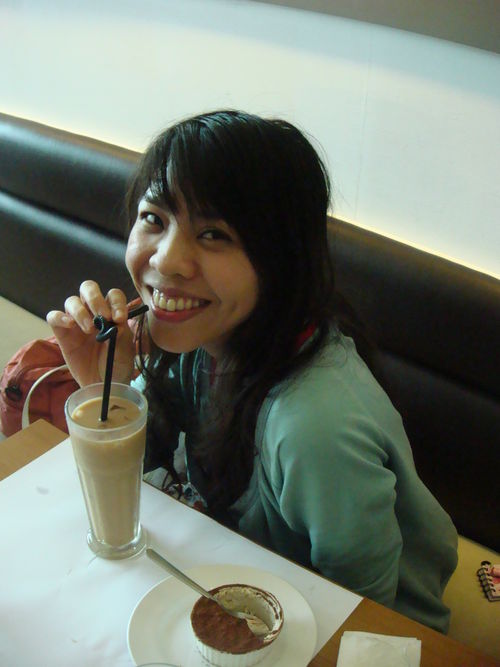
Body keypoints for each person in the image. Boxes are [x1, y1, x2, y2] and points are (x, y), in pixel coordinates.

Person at [47, 109, 457, 632]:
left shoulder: (313, 428)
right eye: (154, 218)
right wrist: (110, 388)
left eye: (213, 233)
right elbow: (150, 489)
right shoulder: (198, 336)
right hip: (233, 581)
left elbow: (365, 617)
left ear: (280, 259)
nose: (167, 261)